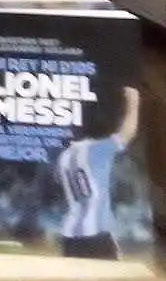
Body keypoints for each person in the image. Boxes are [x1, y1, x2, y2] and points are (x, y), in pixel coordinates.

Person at [57, 86, 140, 260]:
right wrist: (133, 101)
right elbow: (128, 132)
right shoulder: (99, 149)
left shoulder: (64, 156)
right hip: (95, 235)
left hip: (70, 235)